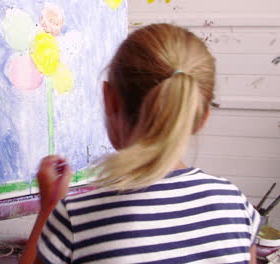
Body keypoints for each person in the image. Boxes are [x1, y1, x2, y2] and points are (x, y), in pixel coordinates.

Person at [20, 23, 261, 264]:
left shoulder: (76, 218)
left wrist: (49, 208)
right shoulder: (235, 205)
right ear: (202, 118)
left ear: (110, 99)